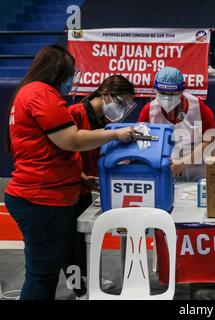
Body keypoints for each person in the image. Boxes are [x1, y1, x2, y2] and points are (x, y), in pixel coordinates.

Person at [4, 45, 139, 300]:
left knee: (47, 272)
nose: (71, 82)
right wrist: (115, 135)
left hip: (49, 194)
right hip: (41, 197)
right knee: (42, 275)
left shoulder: (31, 93)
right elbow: (71, 140)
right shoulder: (41, 94)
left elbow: (52, 149)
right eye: (70, 75)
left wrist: (78, 177)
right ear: (57, 70)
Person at [66, 74, 136, 299]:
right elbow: (65, 150)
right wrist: (80, 174)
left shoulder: (105, 121)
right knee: (72, 248)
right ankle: (78, 289)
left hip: (88, 187)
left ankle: (89, 281)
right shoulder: (75, 113)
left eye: (126, 105)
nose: (122, 108)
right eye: (121, 103)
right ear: (105, 94)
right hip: (69, 187)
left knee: (88, 241)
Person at [138, 66, 215, 181]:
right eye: (162, 93)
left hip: (198, 170)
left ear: (182, 91)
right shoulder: (148, 111)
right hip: (164, 170)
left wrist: (183, 163)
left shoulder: (199, 107)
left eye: (172, 94)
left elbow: (210, 140)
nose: (166, 98)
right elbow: (142, 144)